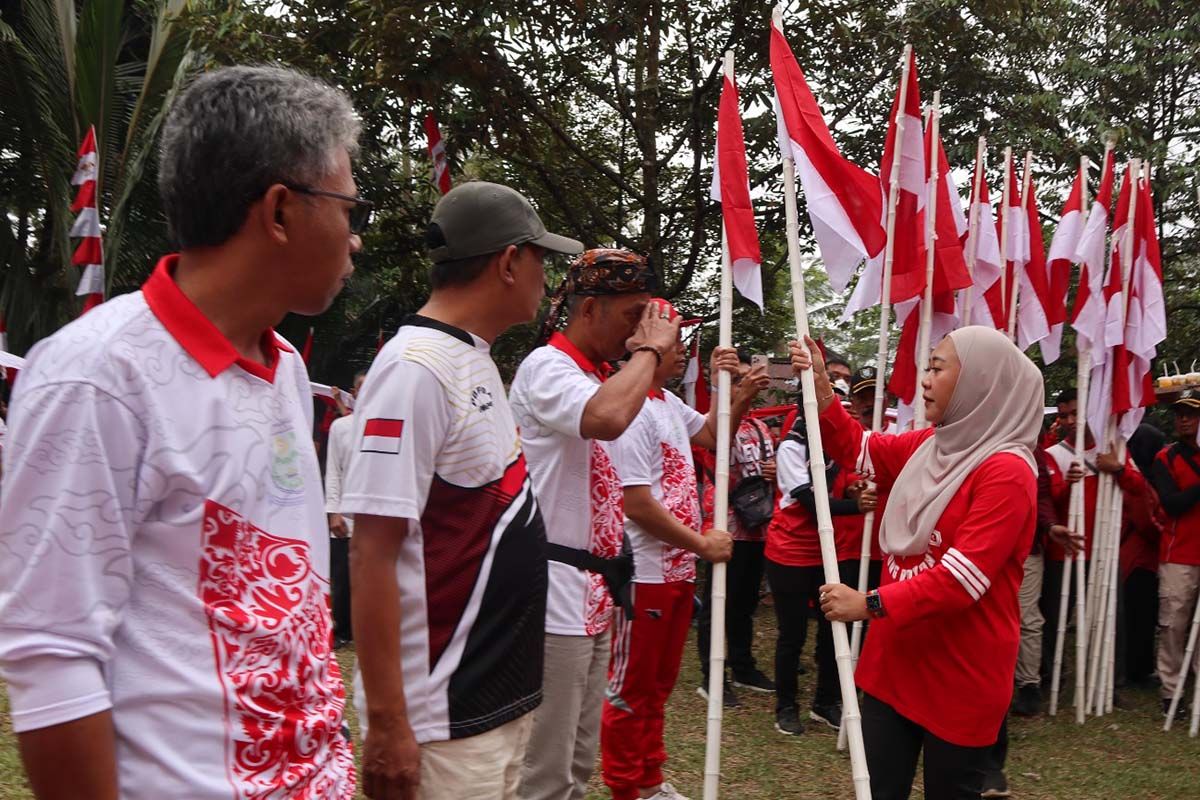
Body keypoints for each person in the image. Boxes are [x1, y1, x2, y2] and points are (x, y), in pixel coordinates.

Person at [0, 66, 361, 798]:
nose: (355, 239)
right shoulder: (99, 374)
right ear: (282, 211)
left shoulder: (284, 366)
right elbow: (51, 656)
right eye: (350, 209)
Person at [341, 181, 581, 799]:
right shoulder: (414, 368)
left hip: (491, 697)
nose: (546, 280)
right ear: (508, 261)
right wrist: (391, 724)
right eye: (540, 260)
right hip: (442, 713)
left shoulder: (472, 358)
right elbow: (371, 551)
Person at [796, 326, 1043, 800]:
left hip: (961, 674)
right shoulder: (929, 445)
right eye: (926, 367)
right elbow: (857, 448)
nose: (924, 380)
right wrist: (823, 389)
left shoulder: (1007, 470)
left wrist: (867, 603)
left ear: (980, 381)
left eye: (937, 367)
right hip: (895, 665)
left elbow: (960, 580)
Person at [509, 248, 677, 800]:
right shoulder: (546, 367)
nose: (638, 331)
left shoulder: (596, 374)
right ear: (589, 311)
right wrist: (651, 350)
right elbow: (604, 419)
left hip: (592, 593)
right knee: (547, 766)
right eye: (631, 315)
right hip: (553, 589)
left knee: (579, 759)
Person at [602, 302, 750, 800]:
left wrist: (741, 390)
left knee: (658, 686)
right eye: (673, 339)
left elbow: (710, 433)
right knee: (630, 690)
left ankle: (649, 780)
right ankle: (627, 786)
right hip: (643, 573)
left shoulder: (664, 401)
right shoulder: (628, 407)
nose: (682, 350)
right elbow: (636, 503)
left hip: (676, 572)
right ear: (641, 339)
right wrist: (703, 544)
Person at [765, 405, 878, 736]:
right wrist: (853, 506)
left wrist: (854, 489)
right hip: (789, 552)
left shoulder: (835, 449)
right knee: (793, 634)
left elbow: (844, 483)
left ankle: (825, 702)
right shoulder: (791, 447)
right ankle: (786, 706)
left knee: (835, 628)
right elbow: (811, 502)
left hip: (828, 552)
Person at [1040, 388, 1147, 688]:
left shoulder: (1113, 446)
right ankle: (1051, 677)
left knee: (1111, 617)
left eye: (1076, 412)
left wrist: (1118, 469)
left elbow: (1139, 487)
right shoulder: (1054, 454)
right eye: (1063, 416)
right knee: (1054, 616)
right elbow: (1045, 501)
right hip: (1064, 552)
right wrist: (1067, 486)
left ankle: (1111, 680)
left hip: (1104, 548)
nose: (1070, 420)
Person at [695, 350, 777, 708]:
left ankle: (743, 666)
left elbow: (767, 464)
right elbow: (718, 447)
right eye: (737, 378)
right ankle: (712, 676)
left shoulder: (759, 425)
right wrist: (740, 395)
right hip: (723, 524)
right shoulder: (710, 422)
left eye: (746, 376)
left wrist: (773, 473)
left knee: (744, 602)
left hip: (756, 525)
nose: (745, 383)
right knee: (718, 601)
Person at [1149, 390, 1200, 717]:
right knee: (1173, 626)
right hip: (1178, 554)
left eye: (1191, 414)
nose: (1183, 419)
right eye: (1179, 413)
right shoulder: (1164, 458)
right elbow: (1172, 503)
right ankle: (1171, 691)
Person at [325, 371, 367, 648]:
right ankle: (340, 630)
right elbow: (333, 473)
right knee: (342, 578)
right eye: (362, 388)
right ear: (353, 392)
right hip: (345, 516)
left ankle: (364, 630)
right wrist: (334, 512)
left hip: (376, 520)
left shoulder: (393, 425)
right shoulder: (341, 428)